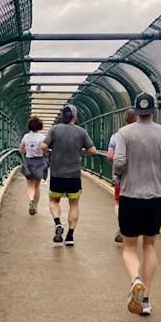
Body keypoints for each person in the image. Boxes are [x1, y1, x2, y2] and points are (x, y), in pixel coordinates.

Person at [113, 93, 161, 316]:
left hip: (130, 196)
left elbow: (118, 162)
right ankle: (145, 299)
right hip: (155, 197)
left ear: (136, 111)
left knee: (129, 248)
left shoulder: (125, 133)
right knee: (149, 246)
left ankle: (135, 280)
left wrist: (120, 174)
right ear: (154, 111)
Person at [40, 104, 97, 246]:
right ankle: (70, 236)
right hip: (74, 175)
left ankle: (57, 223)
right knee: (74, 204)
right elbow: (93, 151)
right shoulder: (81, 132)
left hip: (57, 173)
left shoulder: (54, 129)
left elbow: (43, 146)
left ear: (62, 117)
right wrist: (80, 151)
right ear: (75, 117)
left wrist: (50, 153)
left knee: (54, 201)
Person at [106, 108, 137, 243]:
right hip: (140, 176)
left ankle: (122, 226)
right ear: (136, 119)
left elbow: (110, 156)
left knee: (119, 202)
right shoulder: (142, 134)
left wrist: (117, 168)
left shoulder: (116, 135)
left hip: (121, 175)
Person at [19, 116, 48, 215]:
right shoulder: (42, 138)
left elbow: (21, 150)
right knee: (37, 186)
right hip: (39, 162)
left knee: (30, 186)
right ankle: (35, 206)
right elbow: (44, 150)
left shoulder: (26, 137)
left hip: (29, 161)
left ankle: (31, 199)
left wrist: (28, 149)